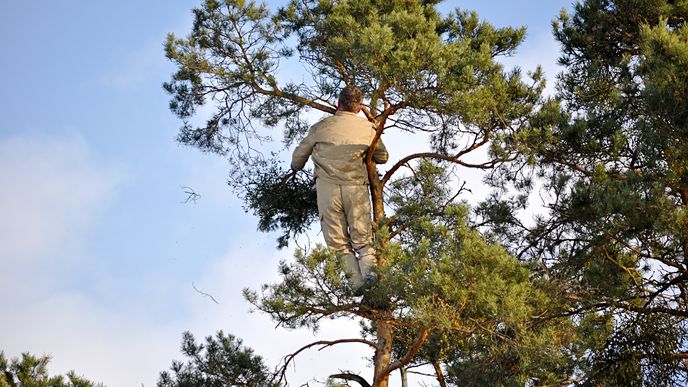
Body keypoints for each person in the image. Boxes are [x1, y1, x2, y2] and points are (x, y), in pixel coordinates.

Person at [291, 86, 388, 290]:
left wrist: (294, 168)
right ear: (360, 108)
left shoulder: (320, 127)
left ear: (338, 102)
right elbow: (383, 157)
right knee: (363, 240)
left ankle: (356, 284)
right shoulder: (368, 129)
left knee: (338, 244)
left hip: (328, 192)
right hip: (356, 190)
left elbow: (298, 160)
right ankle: (372, 280)